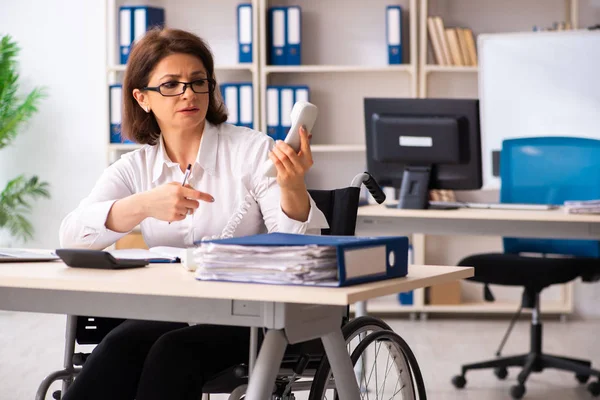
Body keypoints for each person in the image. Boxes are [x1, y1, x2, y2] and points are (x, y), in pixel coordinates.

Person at [59, 27, 328, 400]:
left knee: (173, 353)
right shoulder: (135, 167)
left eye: (197, 82)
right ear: (142, 98)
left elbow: (303, 247)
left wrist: (293, 187)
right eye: (171, 84)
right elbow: (71, 236)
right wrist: (142, 205)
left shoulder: (252, 151)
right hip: (171, 310)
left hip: (250, 318)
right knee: (117, 348)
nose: (188, 93)